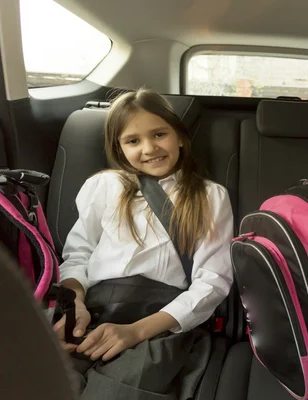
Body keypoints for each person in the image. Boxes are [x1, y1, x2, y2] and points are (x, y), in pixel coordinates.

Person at [52, 88, 234, 399]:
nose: (149, 148)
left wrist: (136, 331)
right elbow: (78, 253)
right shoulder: (104, 186)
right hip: (92, 310)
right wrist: (73, 305)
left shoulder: (208, 196)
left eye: (159, 134)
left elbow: (212, 282)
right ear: (120, 149)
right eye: (133, 141)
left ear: (179, 137)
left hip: (158, 324)